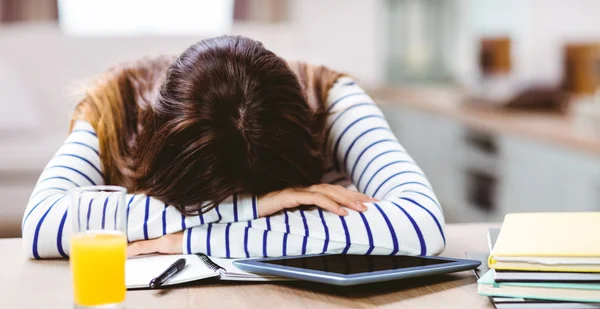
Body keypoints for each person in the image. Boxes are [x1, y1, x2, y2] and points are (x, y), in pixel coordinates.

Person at [22, 35, 446, 260]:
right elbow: (40, 225)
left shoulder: (333, 99)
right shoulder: (118, 103)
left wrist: (187, 240)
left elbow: (422, 224)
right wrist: (253, 208)